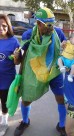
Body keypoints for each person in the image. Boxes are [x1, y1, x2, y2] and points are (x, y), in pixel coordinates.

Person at [14, 7, 67, 136]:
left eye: (53, 24)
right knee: (26, 99)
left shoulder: (58, 33)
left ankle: (62, 126)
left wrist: (66, 48)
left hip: (54, 71)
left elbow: (65, 48)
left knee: (61, 99)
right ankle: (25, 121)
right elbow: (23, 57)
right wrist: (17, 59)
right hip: (35, 72)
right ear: (38, 23)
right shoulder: (28, 35)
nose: (52, 28)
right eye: (48, 25)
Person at [0, 14, 21, 135]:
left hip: (7, 80)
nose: (1, 28)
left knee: (4, 102)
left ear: (8, 26)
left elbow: (17, 62)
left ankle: (4, 123)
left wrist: (16, 57)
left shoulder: (13, 41)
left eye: (4, 25)